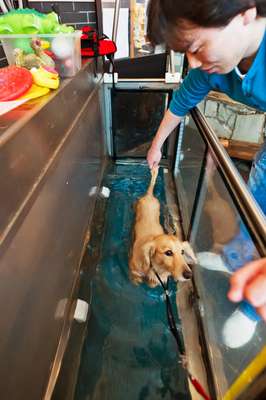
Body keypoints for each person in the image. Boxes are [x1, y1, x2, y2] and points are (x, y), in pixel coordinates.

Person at [146, 0, 266, 347]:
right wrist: (156, 147)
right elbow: (181, 102)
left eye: (196, 47)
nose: (193, 62)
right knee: (253, 204)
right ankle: (234, 259)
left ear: (245, 13)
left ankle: (250, 310)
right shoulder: (213, 67)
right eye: (185, 51)